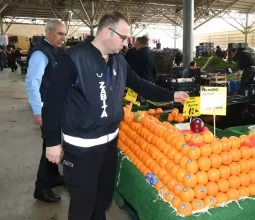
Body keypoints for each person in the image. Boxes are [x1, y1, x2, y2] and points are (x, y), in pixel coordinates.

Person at [42, 11, 189, 220]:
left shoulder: (119, 62)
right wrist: (52, 141)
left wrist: (171, 95)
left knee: (102, 199)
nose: (126, 41)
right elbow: (52, 102)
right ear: (106, 32)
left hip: (110, 144)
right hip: (82, 148)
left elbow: (140, 84)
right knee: (83, 204)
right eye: (122, 37)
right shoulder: (74, 59)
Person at [25, 20, 67, 203]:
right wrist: (38, 111)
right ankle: (41, 188)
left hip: (55, 107)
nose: (63, 38)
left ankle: (53, 176)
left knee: (51, 143)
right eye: (60, 34)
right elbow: (32, 83)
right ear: (48, 33)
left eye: (65, 34)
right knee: (50, 146)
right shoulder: (41, 53)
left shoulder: (54, 51)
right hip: (46, 108)